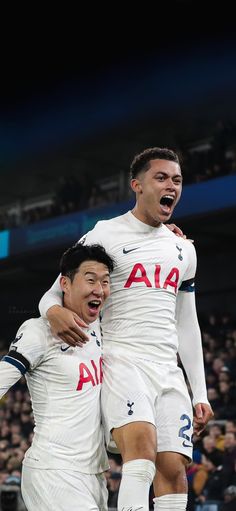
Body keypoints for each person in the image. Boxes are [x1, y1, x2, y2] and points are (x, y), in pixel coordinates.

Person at [39, 147, 214, 511]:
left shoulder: (183, 250)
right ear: (137, 185)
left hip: (168, 371)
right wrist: (53, 310)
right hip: (122, 362)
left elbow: (187, 321)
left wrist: (200, 392)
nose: (172, 186)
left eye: (177, 180)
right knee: (141, 453)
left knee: (174, 471)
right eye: (161, 178)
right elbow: (58, 287)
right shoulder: (105, 234)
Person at [0, 243, 114, 511]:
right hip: (54, 469)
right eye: (90, 280)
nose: (99, 289)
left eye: (105, 282)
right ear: (65, 284)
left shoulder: (101, 327)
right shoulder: (38, 330)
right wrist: (50, 312)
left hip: (94, 474)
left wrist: (158, 231)